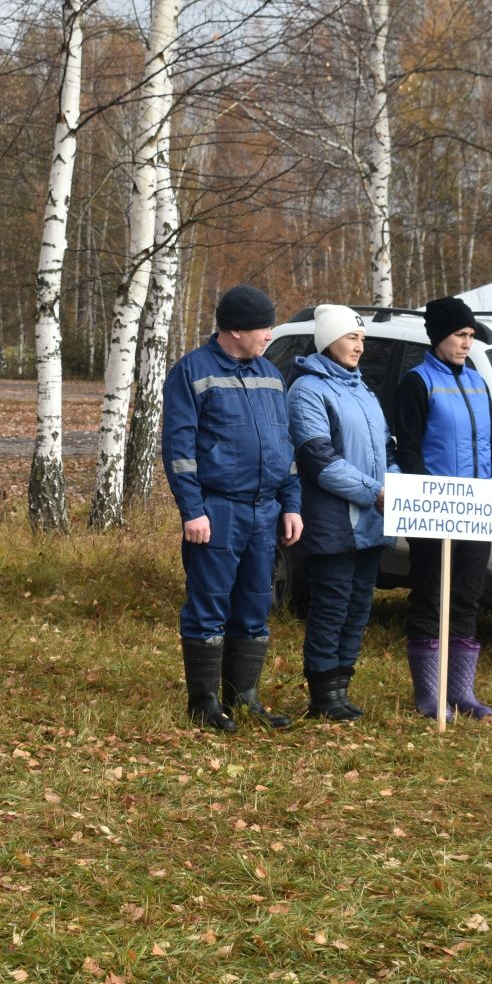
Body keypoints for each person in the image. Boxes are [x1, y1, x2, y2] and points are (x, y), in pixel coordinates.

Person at [160, 284, 303, 733]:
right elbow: (178, 449)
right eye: (264, 326)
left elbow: (286, 445)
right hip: (217, 511)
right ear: (236, 329)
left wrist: (291, 504)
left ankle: (244, 699)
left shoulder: (271, 374)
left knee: (256, 603)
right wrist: (192, 510)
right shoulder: (192, 372)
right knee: (209, 603)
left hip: (265, 511)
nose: (269, 334)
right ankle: (203, 705)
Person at [390, 296, 492, 720]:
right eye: (460, 335)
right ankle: (428, 694)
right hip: (435, 512)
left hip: (477, 510)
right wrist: (428, 500)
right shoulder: (417, 382)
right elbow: (410, 449)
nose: (466, 343)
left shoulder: (477, 381)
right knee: (429, 598)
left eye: (471, 336)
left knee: (467, 598)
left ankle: (461, 692)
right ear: (440, 335)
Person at [286, 306, 393, 722]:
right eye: (352, 338)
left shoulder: (363, 391)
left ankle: (342, 689)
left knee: (358, 606)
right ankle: (322, 694)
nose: (359, 346)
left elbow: (386, 452)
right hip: (334, 521)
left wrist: (394, 485)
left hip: (371, 519)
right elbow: (319, 460)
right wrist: (375, 493)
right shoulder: (308, 390)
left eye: (362, 339)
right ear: (329, 340)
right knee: (331, 606)